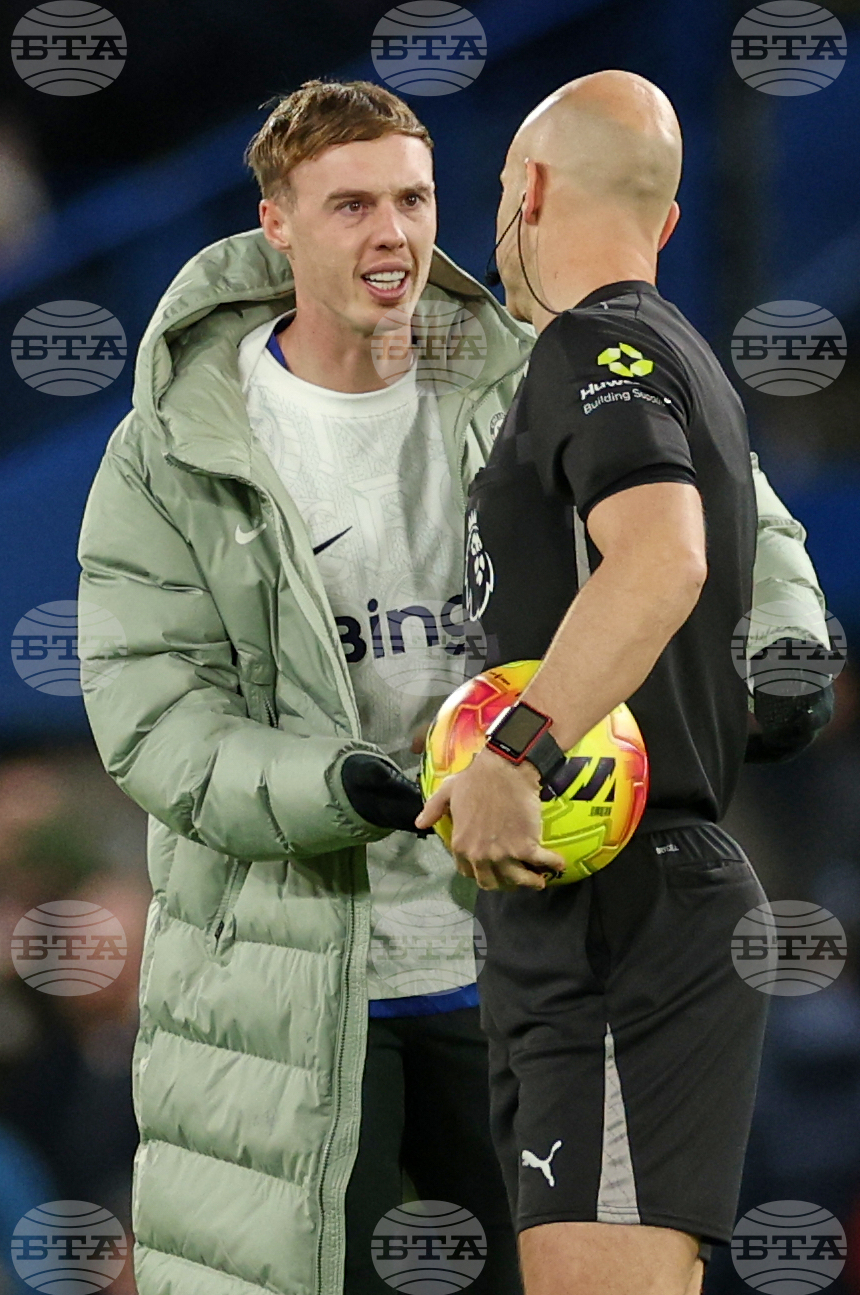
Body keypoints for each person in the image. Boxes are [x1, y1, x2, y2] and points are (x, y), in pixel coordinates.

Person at [77, 77, 828, 1295]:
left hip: (523, 945)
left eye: (415, 198)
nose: (393, 234)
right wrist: (348, 785)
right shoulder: (171, 447)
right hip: (294, 992)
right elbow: (154, 717)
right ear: (275, 225)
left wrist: (783, 652)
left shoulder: (545, 364)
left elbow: (729, 513)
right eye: (350, 205)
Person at [417, 71, 832, 1295]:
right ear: (666, 217)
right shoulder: (687, 366)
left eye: (497, 197)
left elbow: (661, 559)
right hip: (614, 912)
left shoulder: (590, 345)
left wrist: (515, 752)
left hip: (623, 913)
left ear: (529, 191)